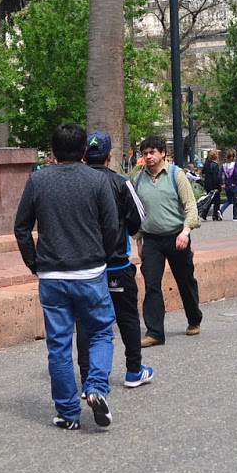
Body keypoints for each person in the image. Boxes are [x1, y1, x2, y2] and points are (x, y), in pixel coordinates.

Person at [14, 122, 121, 431]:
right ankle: (96, 387)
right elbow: (112, 225)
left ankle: (67, 413)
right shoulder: (97, 180)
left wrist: (34, 262)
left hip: (52, 275)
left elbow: (21, 228)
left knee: (59, 345)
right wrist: (102, 254)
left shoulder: (37, 181)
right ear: (84, 151)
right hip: (90, 272)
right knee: (101, 332)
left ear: (53, 151)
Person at [73, 132, 153, 390]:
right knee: (127, 316)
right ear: (109, 157)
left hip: (86, 267)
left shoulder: (77, 183)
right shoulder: (121, 182)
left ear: (85, 155)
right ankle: (133, 370)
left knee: (86, 322)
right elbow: (139, 218)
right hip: (117, 263)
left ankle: (88, 378)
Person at [131, 133, 204, 347]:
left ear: (163, 153)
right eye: (145, 154)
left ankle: (194, 319)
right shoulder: (138, 179)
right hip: (152, 239)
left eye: (152, 152)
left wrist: (186, 231)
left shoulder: (176, 175)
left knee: (185, 280)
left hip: (176, 237)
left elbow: (191, 206)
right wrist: (139, 239)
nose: (148, 157)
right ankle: (155, 332)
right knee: (151, 284)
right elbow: (136, 212)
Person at [199, 149, 224, 221]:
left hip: (207, 183)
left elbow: (203, 172)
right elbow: (216, 177)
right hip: (213, 184)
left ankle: (204, 213)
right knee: (217, 200)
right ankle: (215, 215)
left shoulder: (207, 163)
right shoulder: (215, 165)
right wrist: (218, 186)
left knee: (209, 199)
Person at [220, 151, 237, 221]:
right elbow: (235, 173)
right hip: (234, 185)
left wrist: (222, 183)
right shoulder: (235, 165)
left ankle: (221, 211)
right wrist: (235, 182)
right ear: (233, 157)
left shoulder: (224, 165)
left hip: (227, 185)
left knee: (229, 200)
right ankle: (235, 216)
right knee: (236, 200)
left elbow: (219, 175)